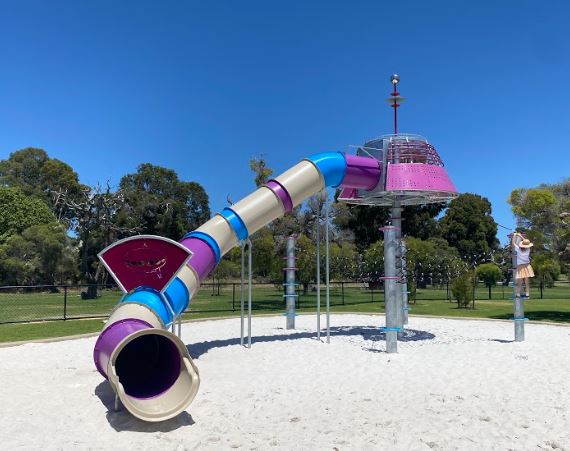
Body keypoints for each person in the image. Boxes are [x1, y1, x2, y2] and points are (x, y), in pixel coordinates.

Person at [511, 232, 534, 298]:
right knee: (527, 281)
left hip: (520, 267)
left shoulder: (518, 249)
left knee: (520, 282)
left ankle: (518, 294)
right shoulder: (528, 249)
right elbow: (526, 242)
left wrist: (515, 236)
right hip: (527, 266)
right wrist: (521, 236)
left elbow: (513, 243)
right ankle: (527, 294)